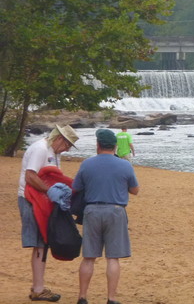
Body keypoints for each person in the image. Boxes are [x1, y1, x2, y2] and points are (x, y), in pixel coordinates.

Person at [73, 129, 139, 304]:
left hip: (92, 211)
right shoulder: (125, 165)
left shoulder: (87, 164)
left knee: (88, 257)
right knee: (113, 257)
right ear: (115, 146)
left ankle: (82, 296)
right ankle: (111, 298)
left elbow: (76, 186)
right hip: (116, 211)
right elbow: (135, 190)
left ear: (98, 145)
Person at [17, 124, 79, 302]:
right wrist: (50, 191)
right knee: (40, 243)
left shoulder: (52, 151)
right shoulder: (41, 149)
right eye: (67, 144)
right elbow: (30, 176)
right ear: (59, 138)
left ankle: (38, 286)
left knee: (42, 243)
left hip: (41, 199)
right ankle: (38, 288)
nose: (67, 149)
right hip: (31, 199)